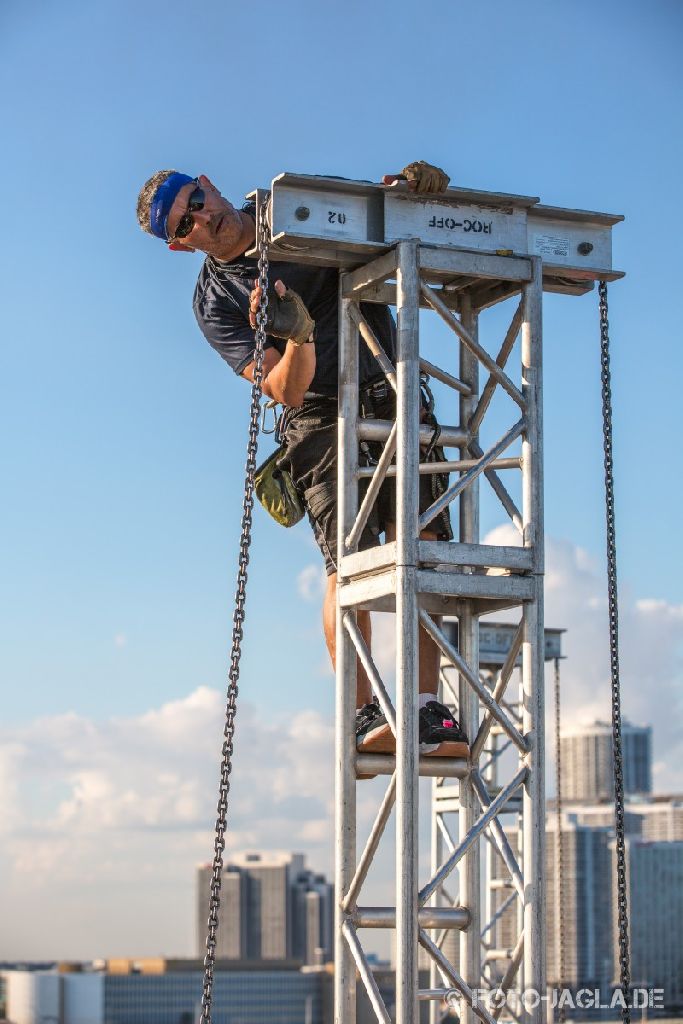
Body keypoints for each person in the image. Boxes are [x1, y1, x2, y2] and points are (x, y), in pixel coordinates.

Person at [136, 161, 469, 761]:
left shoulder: (291, 209)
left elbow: (375, 209)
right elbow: (286, 390)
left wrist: (411, 190)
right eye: (187, 223)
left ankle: (425, 710)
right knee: (348, 555)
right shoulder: (217, 301)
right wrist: (297, 335)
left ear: (210, 183)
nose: (204, 218)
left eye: (197, 200)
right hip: (318, 414)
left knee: (422, 544)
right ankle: (365, 710)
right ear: (180, 245)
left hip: (388, 385)